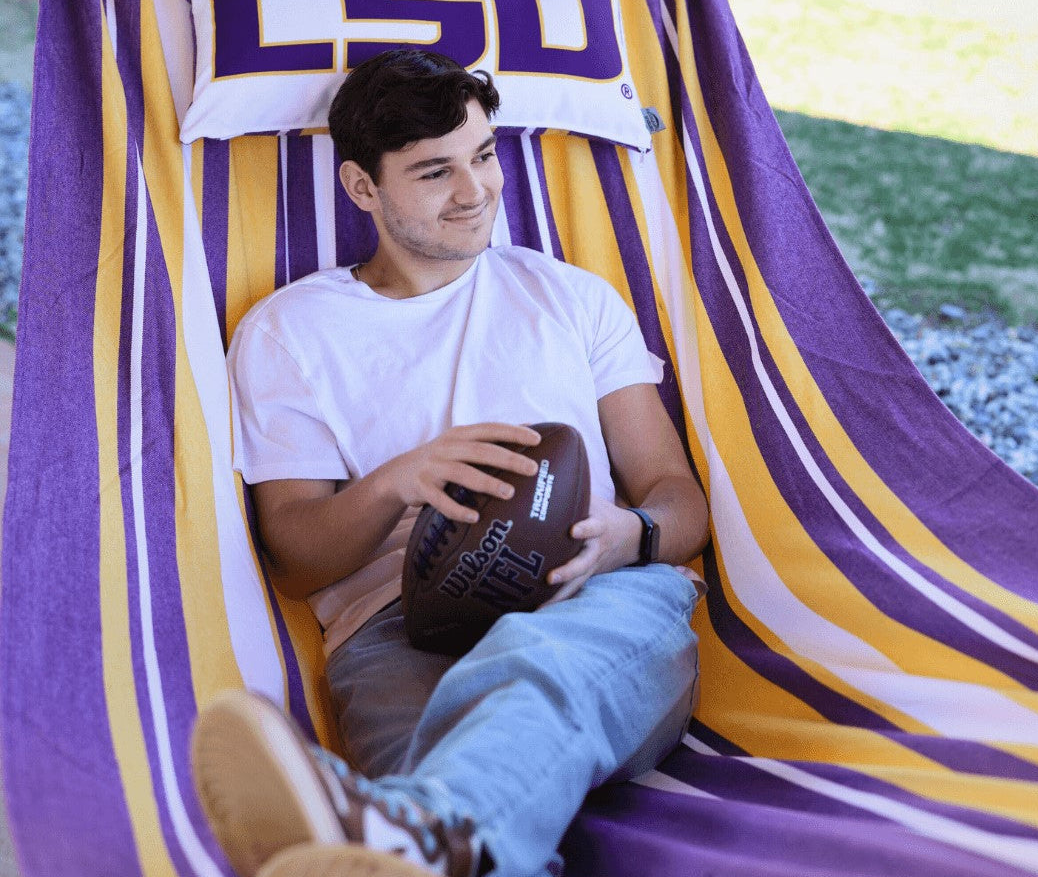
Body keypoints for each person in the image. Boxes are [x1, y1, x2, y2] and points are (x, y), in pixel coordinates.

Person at [192, 49, 709, 877]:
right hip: (399, 631)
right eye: (435, 172)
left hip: (599, 604)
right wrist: (401, 478)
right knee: (442, 817)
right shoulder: (290, 332)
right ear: (364, 188)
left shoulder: (574, 300)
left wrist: (629, 537)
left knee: (536, 674)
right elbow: (293, 557)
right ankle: (424, 836)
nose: (476, 192)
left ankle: (395, 824)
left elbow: (678, 498)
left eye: (485, 155)